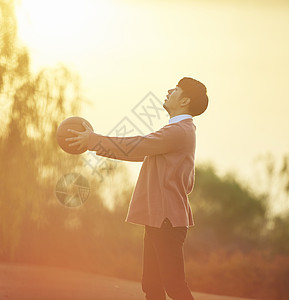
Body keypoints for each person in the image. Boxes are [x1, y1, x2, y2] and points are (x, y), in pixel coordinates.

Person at [66, 77, 208, 300]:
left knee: (174, 286)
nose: (170, 90)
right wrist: (94, 143)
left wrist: (92, 140)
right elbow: (140, 151)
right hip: (158, 219)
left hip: (166, 220)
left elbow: (138, 145)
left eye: (176, 89)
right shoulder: (175, 131)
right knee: (152, 286)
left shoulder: (179, 131)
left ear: (185, 100)